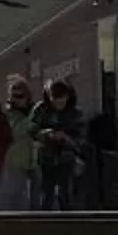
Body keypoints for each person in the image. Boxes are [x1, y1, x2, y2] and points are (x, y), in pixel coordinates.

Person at [29, 80, 85, 212]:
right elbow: (31, 129)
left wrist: (66, 138)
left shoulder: (75, 112)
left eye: (62, 101)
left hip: (67, 158)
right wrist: (45, 134)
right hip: (45, 157)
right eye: (55, 100)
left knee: (65, 194)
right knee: (46, 194)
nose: (58, 104)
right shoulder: (40, 109)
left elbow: (81, 137)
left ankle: (67, 224)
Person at [0, 76, 37, 209]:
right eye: (14, 96)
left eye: (21, 95)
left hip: (33, 164)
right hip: (12, 163)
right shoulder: (6, 114)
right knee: (9, 202)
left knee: (29, 204)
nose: (17, 99)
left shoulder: (36, 111)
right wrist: (33, 118)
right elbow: (14, 133)